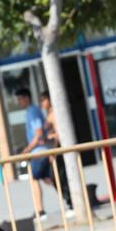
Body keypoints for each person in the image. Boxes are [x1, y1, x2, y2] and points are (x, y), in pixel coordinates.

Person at [16, 87, 70, 220]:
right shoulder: (36, 112)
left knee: (44, 178)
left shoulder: (33, 112)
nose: (18, 102)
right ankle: (69, 202)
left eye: (20, 99)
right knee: (51, 178)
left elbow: (40, 133)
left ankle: (41, 210)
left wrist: (28, 149)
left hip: (40, 152)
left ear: (26, 98)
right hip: (42, 151)